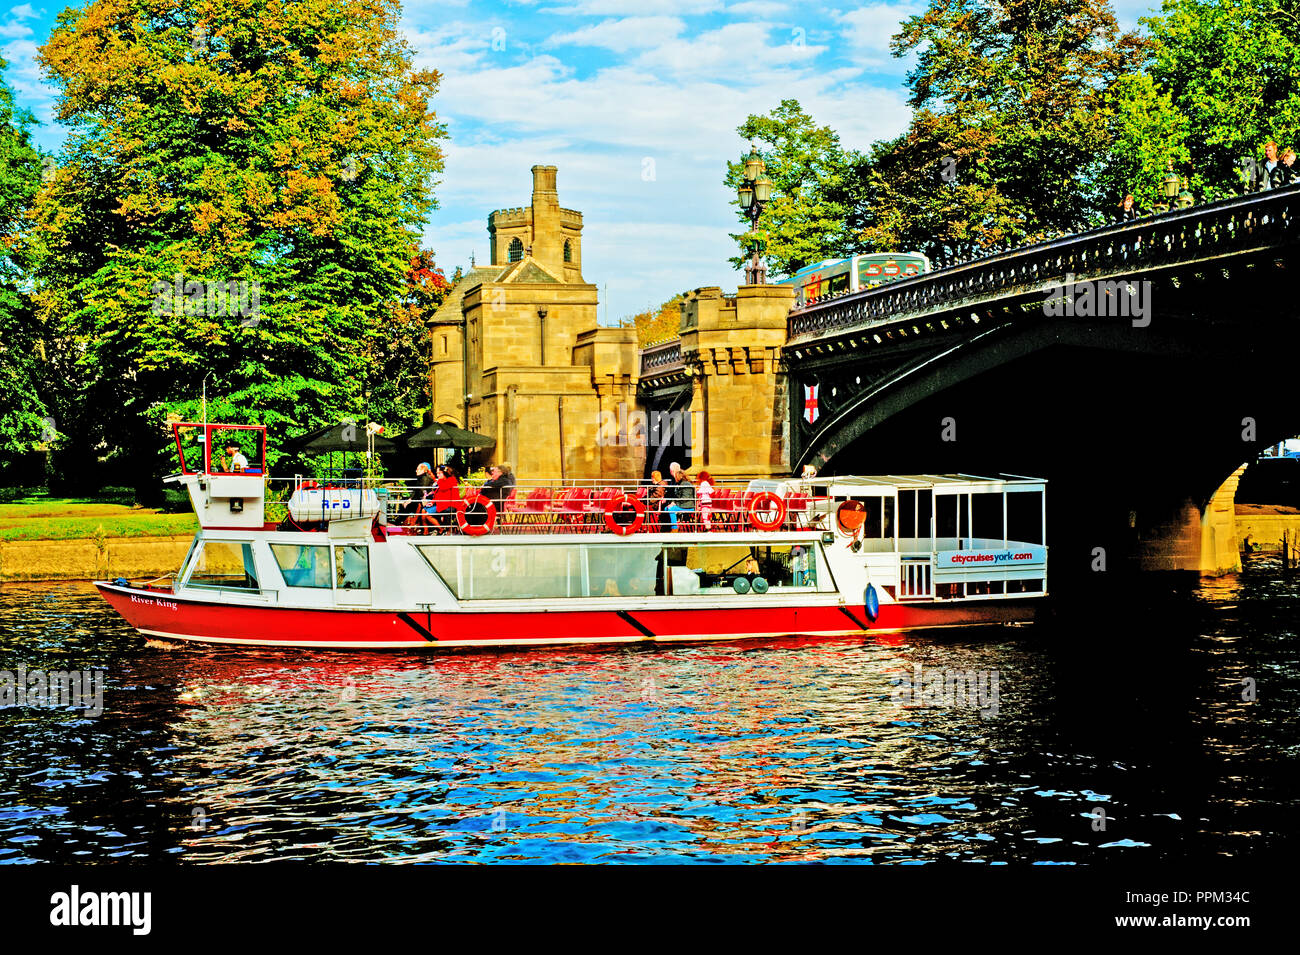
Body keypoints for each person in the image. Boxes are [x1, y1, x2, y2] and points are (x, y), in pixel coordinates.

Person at [664, 461, 694, 531]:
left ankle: (674, 529)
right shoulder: (680, 484)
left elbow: (685, 498)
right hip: (682, 504)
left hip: (687, 505)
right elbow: (677, 496)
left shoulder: (686, 484)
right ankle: (667, 527)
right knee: (666, 508)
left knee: (671, 509)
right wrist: (672, 502)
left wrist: (674, 503)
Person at [432, 464, 460, 528]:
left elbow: (443, 488)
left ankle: (442, 529)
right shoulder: (444, 481)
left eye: (439, 473)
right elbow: (438, 494)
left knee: (427, 514)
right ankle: (438, 529)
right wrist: (433, 502)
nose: (437, 475)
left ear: (444, 473)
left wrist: (438, 481)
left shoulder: (451, 480)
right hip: (444, 504)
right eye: (437, 473)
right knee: (425, 511)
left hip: (451, 505)